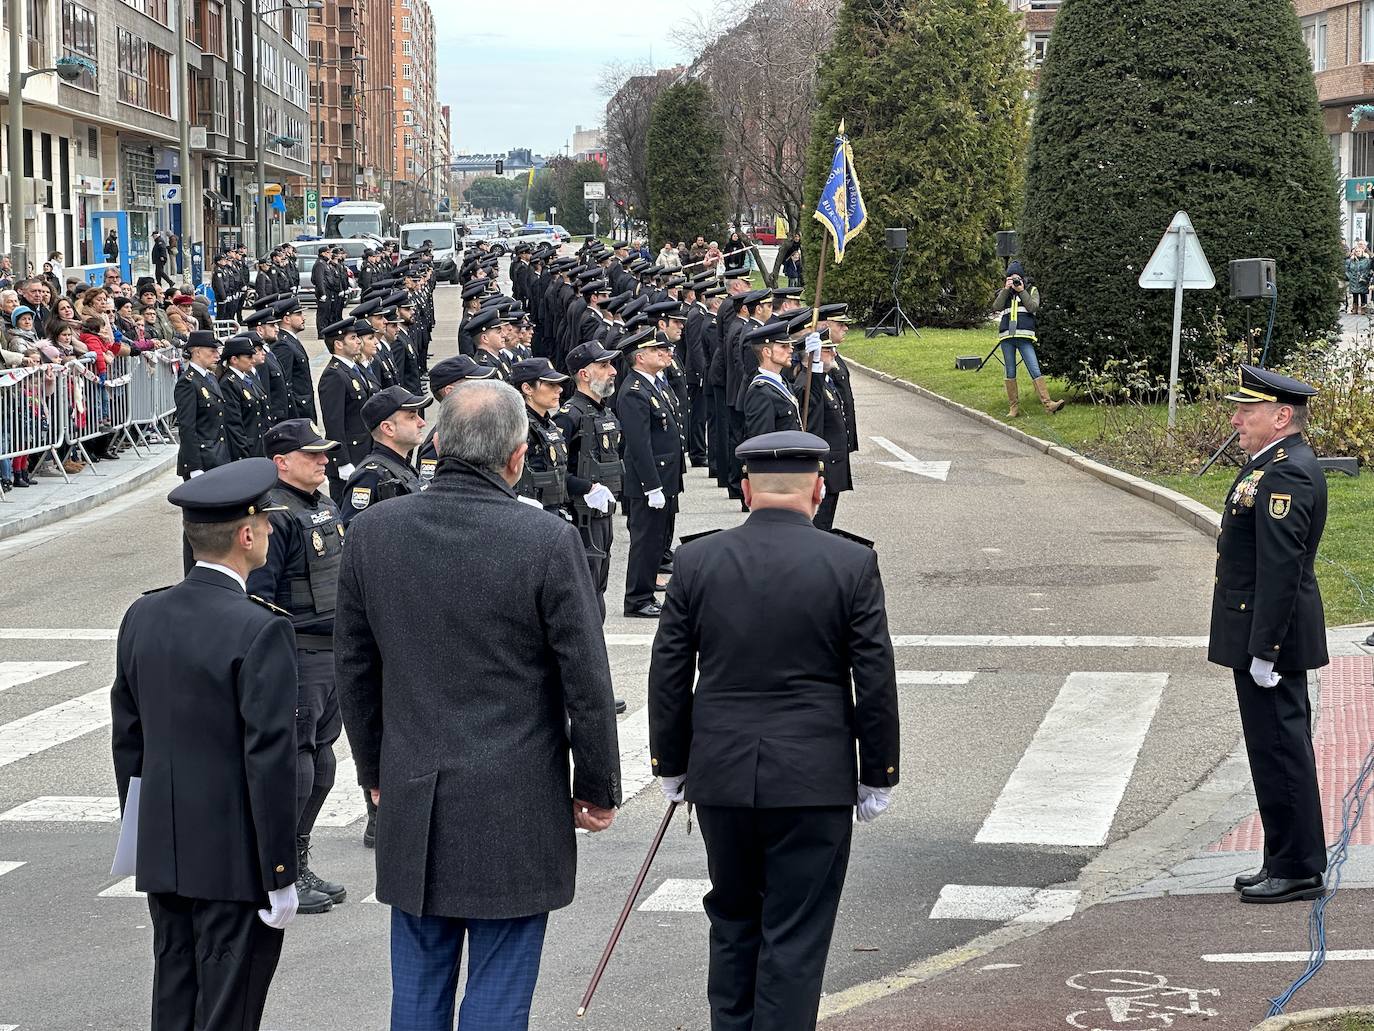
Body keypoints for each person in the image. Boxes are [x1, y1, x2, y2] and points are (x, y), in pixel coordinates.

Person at [333, 380, 622, 1031]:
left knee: (417, 991)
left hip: (415, 790)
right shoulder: (545, 538)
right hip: (514, 800)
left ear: (436, 444)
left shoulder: (374, 532)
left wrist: (374, 771)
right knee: (498, 992)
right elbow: (587, 681)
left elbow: (354, 668)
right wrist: (597, 785)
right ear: (518, 456)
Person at [648, 430, 900, 1031]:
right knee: (795, 936)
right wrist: (878, 774)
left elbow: (669, 672)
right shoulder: (850, 561)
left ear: (744, 490)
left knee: (733, 922)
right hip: (813, 779)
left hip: (724, 775)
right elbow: (875, 679)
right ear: (818, 489)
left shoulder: (697, 559)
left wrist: (671, 765)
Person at [111, 459, 300, 1031]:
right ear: (246, 535)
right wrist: (280, 870)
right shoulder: (260, 627)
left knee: (174, 1000)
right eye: (266, 524)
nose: (269, 531)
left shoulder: (142, 614)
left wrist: (145, 835)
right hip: (233, 860)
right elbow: (268, 759)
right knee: (228, 1011)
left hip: (166, 852)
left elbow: (129, 741)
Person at [1209, 365, 1329, 905]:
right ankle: (1282, 856)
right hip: (1260, 630)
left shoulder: (1287, 473)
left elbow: (1281, 570)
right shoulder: (1271, 464)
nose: (1236, 419)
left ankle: (1298, 866)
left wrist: (1266, 651)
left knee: (1281, 750)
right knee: (1271, 749)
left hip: (1271, 638)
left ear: (1281, 417)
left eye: (1246, 411)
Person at [246, 419, 351, 915]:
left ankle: (300, 857)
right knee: (299, 763)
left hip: (332, 652)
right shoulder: (275, 514)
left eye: (324, 454)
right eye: (313, 455)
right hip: (299, 653)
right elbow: (260, 600)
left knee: (323, 761)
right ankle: (279, 872)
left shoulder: (323, 504)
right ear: (281, 462)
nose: (324, 461)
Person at [556, 342, 623, 622]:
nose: (613, 372)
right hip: (580, 517)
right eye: (604, 366)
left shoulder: (604, 411)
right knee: (586, 591)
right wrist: (586, 488)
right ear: (584, 374)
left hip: (601, 515)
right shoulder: (569, 416)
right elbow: (556, 471)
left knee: (599, 586)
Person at [619, 331, 683, 618]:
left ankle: (645, 593)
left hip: (665, 477)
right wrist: (651, 486)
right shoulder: (634, 391)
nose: (664, 352)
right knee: (645, 542)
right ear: (640, 357)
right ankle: (637, 599)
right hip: (651, 481)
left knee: (657, 540)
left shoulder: (655, 385)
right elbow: (638, 445)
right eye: (657, 349)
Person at [340, 385, 430, 526]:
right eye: (412, 417)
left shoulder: (402, 466)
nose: (422, 423)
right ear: (388, 428)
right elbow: (353, 534)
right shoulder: (370, 476)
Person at [994, 260, 1065, 417]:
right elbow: (996, 307)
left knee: (1034, 368)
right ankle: (1013, 408)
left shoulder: (1031, 289)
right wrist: (1006, 290)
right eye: (1011, 278)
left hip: (1025, 337)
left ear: (1022, 277)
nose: (1014, 280)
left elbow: (1033, 307)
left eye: (1017, 277)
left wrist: (1021, 290)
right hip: (1007, 338)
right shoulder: (1004, 292)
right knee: (1010, 371)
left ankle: (1048, 404)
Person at [317, 318, 374, 503]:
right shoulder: (334, 375)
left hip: (364, 450)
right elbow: (334, 424)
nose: (358, 341)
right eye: (353, 338)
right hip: (350, 456)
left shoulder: (353, 369)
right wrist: (341, 461)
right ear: (339, 344)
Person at [511, 357, 572, 513]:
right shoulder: (518, 426)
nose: (559, 389)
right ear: (527, 388)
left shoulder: (547, 423)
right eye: (550, 384)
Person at [173, 330, 233, 480]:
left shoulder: (210, 378)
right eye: (212, 351)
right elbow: (187, 427)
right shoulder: (187, 382)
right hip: (203, 458)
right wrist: (194, 467)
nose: (217, 356)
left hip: (218, 455)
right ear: (197, 352)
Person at [743, 321, 808, 436]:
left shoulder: (781, 382)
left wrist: (814, 363)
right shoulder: (760, 393)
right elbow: (762, 443)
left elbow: (811, 396)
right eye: (784, 346)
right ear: (767, 352)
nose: (791, 350)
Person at [218, 335, 269, 458]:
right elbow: (234, 423)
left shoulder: (246, 378)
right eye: (248, 357)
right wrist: (243, 452)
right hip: (246, 449)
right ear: (234, 359)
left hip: (258, 444)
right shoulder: (228, 383)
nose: (252, 360)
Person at [1345, 241, 1371, 315]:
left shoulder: (1366, 260)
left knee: (1363, 295)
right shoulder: (1351, 261)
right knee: (1354, 295)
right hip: (1354, 280)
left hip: (1362, 280)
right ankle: (1355, 309)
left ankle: (1363, 309)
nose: (1358, 252)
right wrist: (1350, 277)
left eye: (1359, 251)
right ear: (1354, 252)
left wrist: (1365, 277)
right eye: (1356, 251)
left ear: (1362, 251)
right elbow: (1347, 270)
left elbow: (1368, 270)